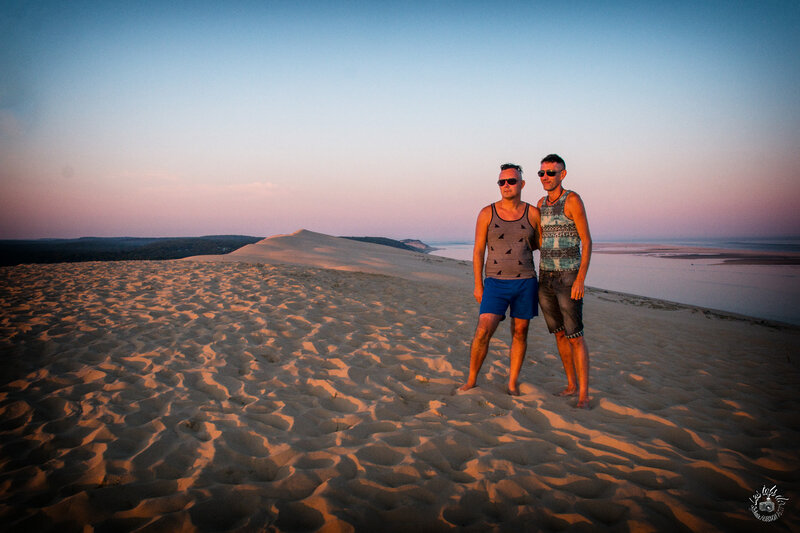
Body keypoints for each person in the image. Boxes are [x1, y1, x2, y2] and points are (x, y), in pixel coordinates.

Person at [459, 163, 541, 396]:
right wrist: (478, 284)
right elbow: (477, 251)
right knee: (483, 330)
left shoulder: (533, 213)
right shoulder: (487, 213)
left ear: (522, 184)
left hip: (525, 281)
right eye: (502, 182)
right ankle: (472, 379)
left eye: (511, 181)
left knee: (520, 332)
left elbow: (540, 244)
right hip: (494, 282)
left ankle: (512, 383)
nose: (506, 185)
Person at [536, 154, 592, 408]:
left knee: (575, 336)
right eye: (542, 173)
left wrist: (580, 278)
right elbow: (540, 241)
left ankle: (583, 394)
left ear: (562, 174)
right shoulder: (540, 204)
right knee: (559, 334)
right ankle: (571, 385)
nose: (546, 177)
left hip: (569, 277)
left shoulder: (573, 200)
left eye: (551, 172)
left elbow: (587, 241)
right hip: (545, 277)